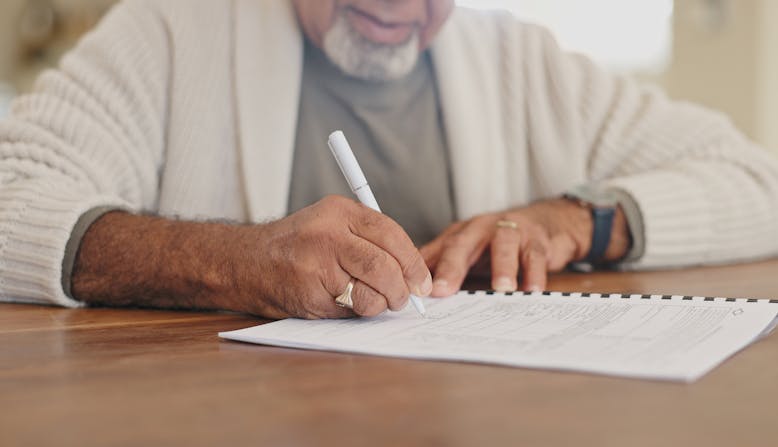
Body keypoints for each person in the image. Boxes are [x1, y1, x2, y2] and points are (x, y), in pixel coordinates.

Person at [0, 0, 776, 319]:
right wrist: (235, 260)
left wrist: (575, 220)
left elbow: (757, 183)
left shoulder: (519, 60)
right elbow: (12, 198)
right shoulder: (170, 31)